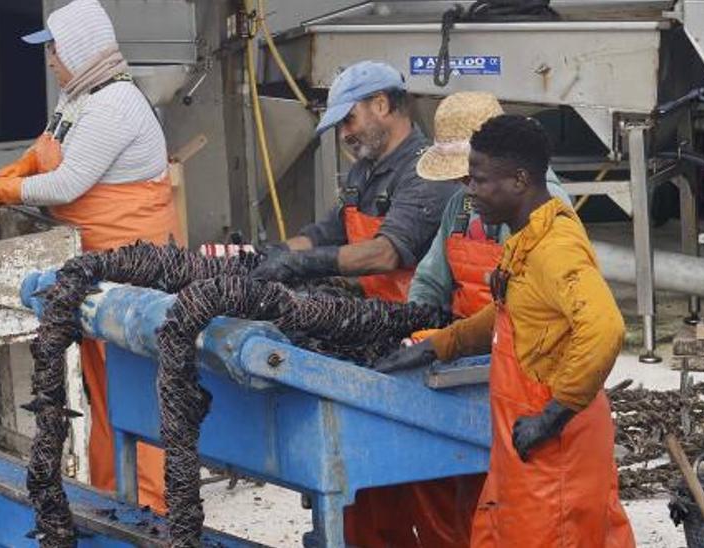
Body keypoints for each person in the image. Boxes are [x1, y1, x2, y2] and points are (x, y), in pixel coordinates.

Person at [375, 115, 635, 547]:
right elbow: (511, 314)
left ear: (518, 180)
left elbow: (605, 328)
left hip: (557, 448)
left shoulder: (555, 249)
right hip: (522, 445)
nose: (470, 190)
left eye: (479, 180)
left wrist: (554, 414)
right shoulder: (523, 240)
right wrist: (441, 345)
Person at [0, 0, 180, 512]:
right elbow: (48, 146)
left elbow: (68, 183)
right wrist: (10, 171)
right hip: (96, 267)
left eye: (53, 49)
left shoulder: (114, 106)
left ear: (79, 49)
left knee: (132, 389)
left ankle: (151, 509)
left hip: (130, 272)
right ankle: (115, 496)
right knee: (103, 388)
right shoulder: (79, 97)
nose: (49, 59)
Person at [250, 61, 457, 304]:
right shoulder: (364, 169)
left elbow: (385, 254)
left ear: (381, 105)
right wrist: (274, 253)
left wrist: (298, 263)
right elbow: (328, 233)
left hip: (415, 318)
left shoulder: (426, 173)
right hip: (373, 309)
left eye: (349, 119)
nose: (343, 135)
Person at [406, 92, 573, 321]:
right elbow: (429, 281)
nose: (463, 185)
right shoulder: (459, 205)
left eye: (470, 176)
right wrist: (415, 323)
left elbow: (539, 305)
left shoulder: (546, 205)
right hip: (467, 341)